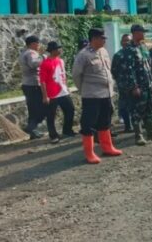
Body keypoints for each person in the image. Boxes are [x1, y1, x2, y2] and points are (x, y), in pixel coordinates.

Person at [72, 28, 122, 164]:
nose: (104, 40)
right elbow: (76, 75)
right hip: (91, 95)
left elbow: (107, 70)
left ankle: (107, 147)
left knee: (105, 121)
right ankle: (89, 153)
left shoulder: (103, 51)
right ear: (94, 39)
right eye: (102, 38)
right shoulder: (83, 55)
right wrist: (83, 90)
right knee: (88, 124)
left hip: (106, 94)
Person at [113, 24, 152, 146]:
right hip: (138, 86)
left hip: (148, 84)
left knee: (148, 108)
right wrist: (134, 86)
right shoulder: (129, 50)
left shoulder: (143, 47)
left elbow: (148, 66)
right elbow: (128, 70)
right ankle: (138, 135)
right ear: (135, 33)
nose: (144, 34)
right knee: (137, 111)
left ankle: (151, 131)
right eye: (142, 32)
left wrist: (151, 83)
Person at [39, 41, 75, 143]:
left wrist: (66, 87)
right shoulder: (45, 63)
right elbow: (42, 81)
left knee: (70, 110)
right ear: (53, 51)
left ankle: (67, 130)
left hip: (63, 91)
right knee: (51, 115)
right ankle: (53, 135)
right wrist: (45, 96)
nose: (60, 50)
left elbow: (63, 75)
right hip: (52, 93)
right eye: (58, 49)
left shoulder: (61, 61)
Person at [19, 35, 45, 139]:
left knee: (32, 108)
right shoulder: (31, 53)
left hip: (27, 84)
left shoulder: (24, 53)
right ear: (33, 44)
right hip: (33, 84)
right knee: (39, 108)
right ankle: (31, 128)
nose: (39, 45)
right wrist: (43, 57)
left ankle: (31, 129)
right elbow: (33, 64)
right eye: (38, 43)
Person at [111, 34, 133, 133]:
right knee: (125, 106)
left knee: (136, 105)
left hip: (136, 84)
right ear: (121, 42)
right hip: (123, 85)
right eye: (124, 40)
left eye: (128, 40)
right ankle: (128, 125)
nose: (126, 42)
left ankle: (138, 125)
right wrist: (120, 80)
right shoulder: (118, 55)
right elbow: (113, 70)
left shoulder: (135, 52)